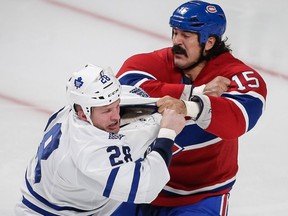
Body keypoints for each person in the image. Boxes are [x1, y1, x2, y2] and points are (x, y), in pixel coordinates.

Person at [116, 0, 267, 215]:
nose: (176, 41)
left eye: (186, 36)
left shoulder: (233, 74)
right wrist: (197, 93)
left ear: (209, 42)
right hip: (142, 184)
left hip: (200, 196)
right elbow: (124, 87)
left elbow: (240, 118)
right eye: (175, 32)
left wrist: (189, 107)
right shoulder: (160, 62)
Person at [15, 64, 186, 216]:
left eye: (116, 106)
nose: (116, 116)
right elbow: (147, 186)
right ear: (83, 114)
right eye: (107, 111)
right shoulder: (88, 152)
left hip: (73, 202)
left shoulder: (76, 109)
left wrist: (165, 104)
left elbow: (125, 100)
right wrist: (167, 133)